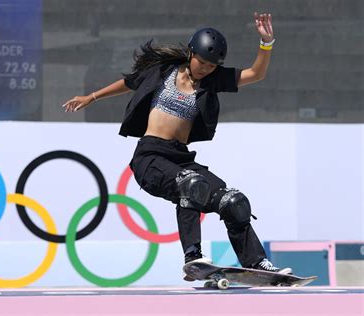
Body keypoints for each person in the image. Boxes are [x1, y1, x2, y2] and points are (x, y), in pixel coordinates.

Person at [63, 12, 292, 281]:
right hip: (149, 158)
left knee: (234, 201)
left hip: (180, 157)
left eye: (211, 65)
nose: (205, 69)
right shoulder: (162, 70)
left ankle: (257, 263)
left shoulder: (212, 81)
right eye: (202, 62)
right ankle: (193, 256)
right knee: (192, 184)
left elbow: (256, 73)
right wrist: (91, 97)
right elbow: (128, 83)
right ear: (191, 52)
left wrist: (266, 43)